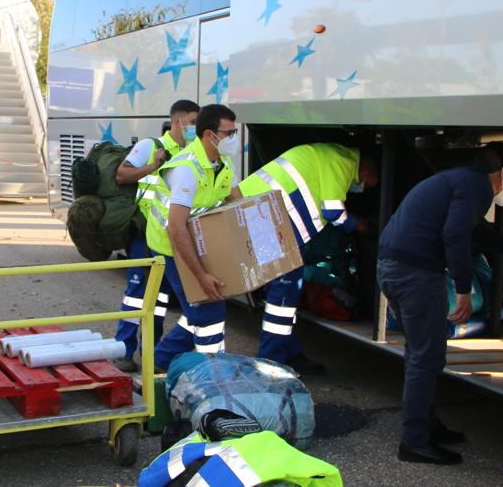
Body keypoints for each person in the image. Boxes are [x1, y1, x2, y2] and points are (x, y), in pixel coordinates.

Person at [377, 144, 503, 465]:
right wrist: (464, 287)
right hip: (416, 273)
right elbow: (456, 235)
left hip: (394, 266)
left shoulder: (457, 179)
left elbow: (476, 231)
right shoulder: (477, 185)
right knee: (427, 358)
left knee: (419, 353)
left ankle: (428, 427)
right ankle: (415, 442)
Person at [232, 143, 379, 375]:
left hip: (261, 214)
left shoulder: (334, 155)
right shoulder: (343, 162)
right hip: (266, 220)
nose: (361, 188)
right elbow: (333, 212)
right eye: (367, 184)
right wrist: (363, 226)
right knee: (284, 295)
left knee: (284, 294)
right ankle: (271, 363)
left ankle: (290, 353)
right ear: (366, 172)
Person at [148, 104, 241, 371]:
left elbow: (237, 202)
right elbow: (175, 228)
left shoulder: (222, 163)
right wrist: (200, 275)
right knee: (209, 311)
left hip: (193, 242)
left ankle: (159, 362)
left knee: (197, 313)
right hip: (169, 246)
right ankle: (216, 376)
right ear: (210, 134)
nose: (234, 139)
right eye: (229, 133)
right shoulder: (187, 168)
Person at [111, 99, 199, 372]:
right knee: (136, 295)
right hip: (142, 234)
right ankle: (123, 350)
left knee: (161, 300)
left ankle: (152, 353)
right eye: (194, 122)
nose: (196, 128)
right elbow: (121, 175)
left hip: (166, 238)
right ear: (178, 122)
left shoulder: (192, 152)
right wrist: (153, 165)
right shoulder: (152, 147)